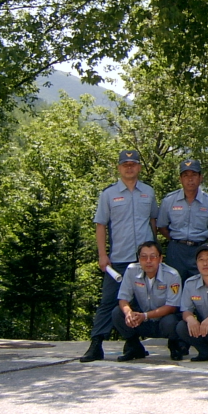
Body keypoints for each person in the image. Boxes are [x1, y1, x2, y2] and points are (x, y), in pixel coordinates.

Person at [80, 149, 158, 363]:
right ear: (119, 168)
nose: (129, 168)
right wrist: (102, 255)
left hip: (145, 260)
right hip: (119, 259)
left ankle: (133, 343)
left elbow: (153, 222)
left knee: (141, 302)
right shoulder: (109, 194)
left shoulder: (148, 192)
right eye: (125, 164)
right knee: (109, 301)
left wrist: (156, 252)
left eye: (133, 164)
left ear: (139, 167)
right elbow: (101, 225)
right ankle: (96, 344)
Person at [111, 241, 182, 361]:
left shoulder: (172, 275)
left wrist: (145, 316)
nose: (148, 261)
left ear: (160, 259)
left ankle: (174, 345)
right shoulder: (131, 270)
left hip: (162, 321)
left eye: (153, 257)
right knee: (117, 313)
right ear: (139, 259)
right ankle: (134, 346)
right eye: (144, 257)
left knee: (172, 321)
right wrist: (128, 313)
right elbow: (123, 298)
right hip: (141, 320)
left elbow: (172, 306)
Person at [157, 159, 208, 283]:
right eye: (186, 175)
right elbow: (161, 227)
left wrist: (201, 240)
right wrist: (176, 240)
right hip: (176, 251)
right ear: (180, 179)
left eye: (194, 175)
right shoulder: (169, 200)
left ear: (200, 177)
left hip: (199, 250)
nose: (190, 179)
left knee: (200, 286)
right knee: (174, 286)